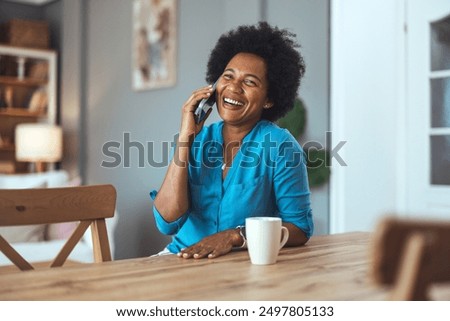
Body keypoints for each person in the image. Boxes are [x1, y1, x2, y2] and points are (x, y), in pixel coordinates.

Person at [150, 22, 313, 259]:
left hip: (241, 264)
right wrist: (185, 139)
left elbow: (299, 229)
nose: (234, 88)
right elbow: (167, 222)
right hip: (181, 257)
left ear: (269, 99)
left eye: (250, 82)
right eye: (228, 76)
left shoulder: (280, 146)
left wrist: (235, 236)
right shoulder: (198, 139)